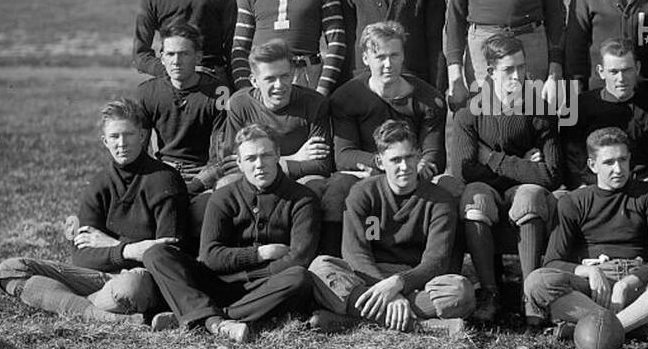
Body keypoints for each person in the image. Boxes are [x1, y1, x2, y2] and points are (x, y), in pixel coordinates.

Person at [0, 98, 186, 325]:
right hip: (98, 276)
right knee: (10, 270)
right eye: (114, 137)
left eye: (129, 135)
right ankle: (108, 315)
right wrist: (129, 250)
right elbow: (81, 256)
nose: (121, 143)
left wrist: (111, 245)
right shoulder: (100, 182)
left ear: (143, 136)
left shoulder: (165, 180)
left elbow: (167, 253)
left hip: (143, 278)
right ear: (105, 141)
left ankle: (64, 300)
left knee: (128, 289)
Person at [524, 128, 648, 344]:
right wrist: (589, 272)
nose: (618, 169)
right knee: (536, 281)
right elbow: (553, 260)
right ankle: (638, 329)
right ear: (593, 165)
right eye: (609, 162)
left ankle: (604, 328)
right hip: (593, 289)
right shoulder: (572, 202)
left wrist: (627, 283)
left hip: (640, 284)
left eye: (623, 160)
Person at [141, 125, 319, 343]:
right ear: (239, 163)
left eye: (266, 155)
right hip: (219, 282)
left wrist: (250, 275)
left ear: (278, 156)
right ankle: (212, 319)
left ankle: (206, 317)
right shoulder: (223, 197)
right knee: (157, 254)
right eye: (251, 158)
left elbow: (299, 258)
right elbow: (210, 257)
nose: (259, 165)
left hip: (268, 287)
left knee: (299, 278)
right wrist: (260, 254)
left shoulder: (303, 199)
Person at [309, 120, 475, 333]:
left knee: (461, 292)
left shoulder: (440, 201)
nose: (404, 167)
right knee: (320, 268)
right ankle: (422, 325)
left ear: (419, 156)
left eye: (409, 157)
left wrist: (398, 284)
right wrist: (389, 294)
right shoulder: (364, 193)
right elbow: (356, 254)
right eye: (395, 160)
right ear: (380, 161)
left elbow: (436, 263)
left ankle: (350, 320)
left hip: (416, 278)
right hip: (369, 276)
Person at [445, 33, 562, 322]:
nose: (517, 76)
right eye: (509, 69)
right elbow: (463, 169)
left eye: (521, 68)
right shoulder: (469, 112)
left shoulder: (541, 111)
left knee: (530, 195)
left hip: (521, 191)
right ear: (490, 72)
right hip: (489, 188)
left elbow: (551, 175)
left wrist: (491, 158)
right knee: (476, 197)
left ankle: (530, 294)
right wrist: (523, 166)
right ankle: (490, 292)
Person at [319, 21, 447, 255]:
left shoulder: (429, 100)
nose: (388, 64)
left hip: (411, 172)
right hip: (367, 174)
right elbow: (344, 155)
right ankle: (335, 260)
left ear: (403, 56)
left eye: (394, 55)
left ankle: (435, 263)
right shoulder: (346, 97)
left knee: (449, 187)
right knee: (338, 187)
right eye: (380, 57)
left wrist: (416, 165)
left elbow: (433, 154)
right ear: (366, 58)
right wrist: (382, 165)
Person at [563, 38, 648, 235]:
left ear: (637, 68)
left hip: (644, 186)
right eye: (613, 72)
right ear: (601, 72)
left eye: (626, 70)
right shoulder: (579, 108)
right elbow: (572, 157)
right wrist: (594, 186)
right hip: (596, 187)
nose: (621, 78)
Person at [135, 20, 232, 238]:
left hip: (202, 174)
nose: (176, 61)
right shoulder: (146, 93)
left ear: (198, 57)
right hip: (162, 171)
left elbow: (220, 155)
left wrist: (195, 185)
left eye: (184, 54)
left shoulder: (218, 93)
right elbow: (138, 152)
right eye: (169, 54)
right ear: (161, 56)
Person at [223, 39, 333, 191]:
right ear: (254, 81)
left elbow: (322, 165)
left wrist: (264, 163)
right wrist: (292, 158)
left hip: (300, 179)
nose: (279, 85)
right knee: (226, 184)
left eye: (285, 76)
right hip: (255, 178)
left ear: (293, 74)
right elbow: (232, 163)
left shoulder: (314, 103)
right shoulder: (239, 104)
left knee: (315, 185)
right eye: (270, 79)